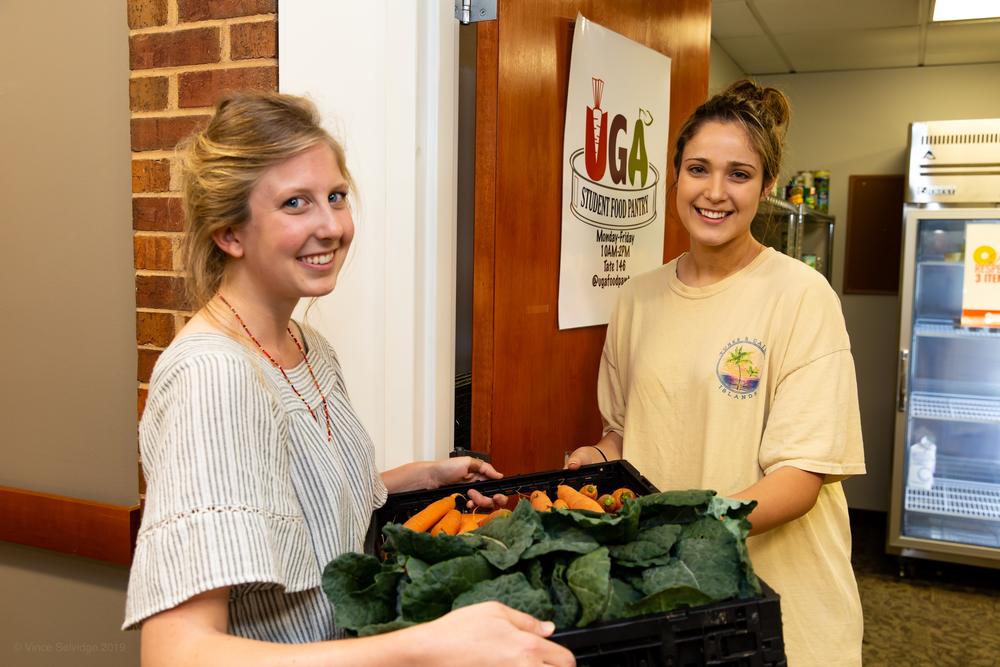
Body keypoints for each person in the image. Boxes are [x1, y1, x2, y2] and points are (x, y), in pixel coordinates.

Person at [123, 92, 574, 667]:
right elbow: (177, 654)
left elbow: (294, 508)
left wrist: (423, 476)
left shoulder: (308, 348)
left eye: (336, 196)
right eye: (295, 203)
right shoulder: (212, 377)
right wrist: (424, 648)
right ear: (230, 235)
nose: (333, 226)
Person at [566, 80, 866, 666]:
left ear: (767, 188)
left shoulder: (801, 296)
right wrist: (593, 465)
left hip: (781, 608)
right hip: (672, 605)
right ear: (674, 176)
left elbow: (800, 476)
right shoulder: (637, 298)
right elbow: (624, 433)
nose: (714, 192)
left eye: (739, 174)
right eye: (699, 169)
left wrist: (682, 531)